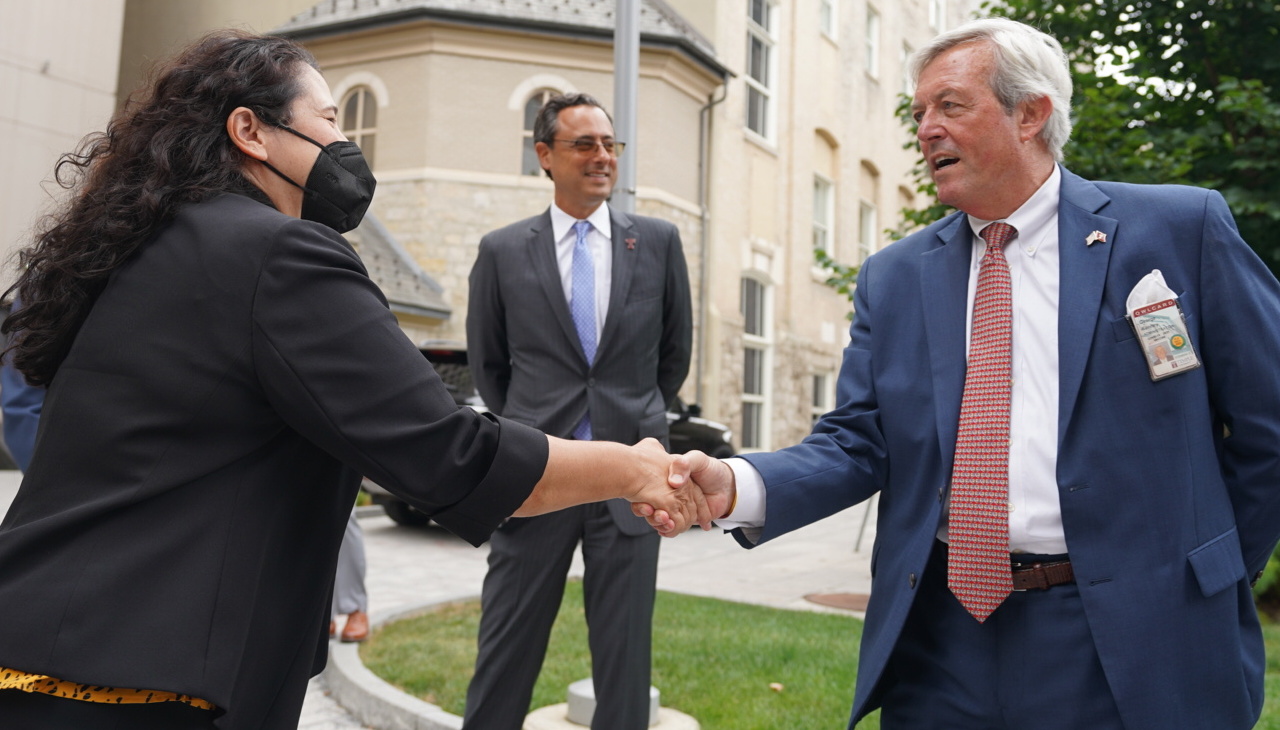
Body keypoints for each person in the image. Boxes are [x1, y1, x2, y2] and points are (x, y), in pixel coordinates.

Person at [0, 31, 707, 730]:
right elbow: (447, 454)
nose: (346, 146)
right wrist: (633, 466)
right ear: (250, 130)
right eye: (331, 120)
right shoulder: (280, 254)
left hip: (38, 643)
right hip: (144, 679)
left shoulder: (147, 247)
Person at [673, 17, 1280, 730]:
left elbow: (1267, 425)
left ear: (1031, 114)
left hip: (1128, 636)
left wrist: (1204, 569)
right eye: (919, 112)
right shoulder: (893, 278)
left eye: (951, 106)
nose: (926, 128)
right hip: (942, 640)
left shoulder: (1177, 230)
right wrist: (739, 484)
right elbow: (860, 439)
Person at [462, 92, 692, 730]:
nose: (602, 158)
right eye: (584, 144)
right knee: (505, 649)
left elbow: (673, 359)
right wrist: (529, 441)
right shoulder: (503, 250)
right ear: (545, 155)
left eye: (609, 145)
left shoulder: (660, 243)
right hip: (536, 477)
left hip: (634, 482)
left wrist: (635, 427)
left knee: (624, 661)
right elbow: (490, 365)